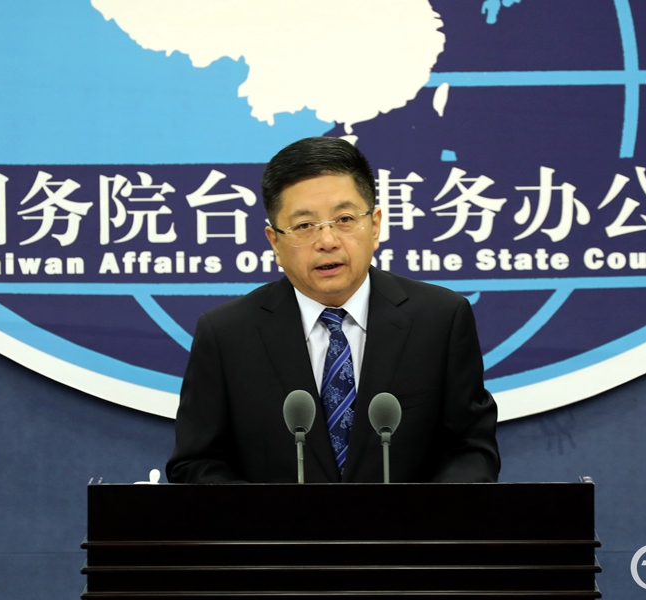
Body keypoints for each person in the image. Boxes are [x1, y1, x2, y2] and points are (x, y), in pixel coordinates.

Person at [166, 137, 500, 483]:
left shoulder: (440, 319)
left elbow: (471, 448)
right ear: (275, 242)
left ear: (374, 226)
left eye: (344, 219)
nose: (327, 241)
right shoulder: (227, 334)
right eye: (304, 226)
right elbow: (196, 463)